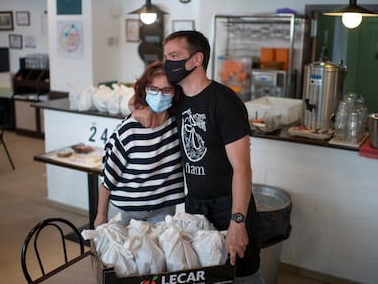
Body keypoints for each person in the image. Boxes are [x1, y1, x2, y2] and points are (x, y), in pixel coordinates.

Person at [133, 31, 265, 284]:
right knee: (204, 277)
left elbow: (243, 169)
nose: (168, 63)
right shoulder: (177, 99)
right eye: (166, 57)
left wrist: (238, 221)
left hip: (230, 208)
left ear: (196, 59)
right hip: (195, 209)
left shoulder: (225, 101)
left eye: (174, 56)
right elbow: (140, 95)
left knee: (244, 276)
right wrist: (138, 108)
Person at [94, 61, 185, 228]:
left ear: (175, 92)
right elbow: (107, 177)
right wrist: (100, 215)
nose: (160, 95)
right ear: (145, 90)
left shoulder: (178, 124)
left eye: (167, 90)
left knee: (159, 255)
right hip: (124, 211)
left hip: (163, 210)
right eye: (153, 89)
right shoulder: (130, 129)